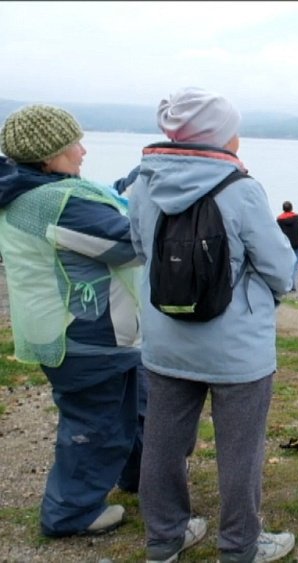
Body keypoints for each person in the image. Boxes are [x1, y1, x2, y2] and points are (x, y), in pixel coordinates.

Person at [128, 87, 296, 562]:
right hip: (238, 348)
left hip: (165, 340)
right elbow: (280, 268)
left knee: (163, 441)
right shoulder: (241, 189)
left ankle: (164, 539)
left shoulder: (144, 183)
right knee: (240, 452)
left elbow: (141, 250)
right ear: (219, 135)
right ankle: (239, 546)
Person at [0, 104, 145, 537]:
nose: (83, 151)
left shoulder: (30, 190)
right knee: (95, 425)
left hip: (74, 331)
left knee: (125, 413)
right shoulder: (53, 202)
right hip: (86, 334)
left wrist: (135, 182)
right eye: (72, 144)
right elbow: (128, 242)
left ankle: (136, 477)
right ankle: (70, 514)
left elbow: (99, 208)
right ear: (47, 157)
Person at [276, 201, 298, 291]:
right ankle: (292, 285)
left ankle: (286, 284)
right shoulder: (297, 218)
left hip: (286, 245)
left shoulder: (279, 220)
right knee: (296, 265)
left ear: (283, 209)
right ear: (291, 208)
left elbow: (276, 233)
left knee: (287, 265)